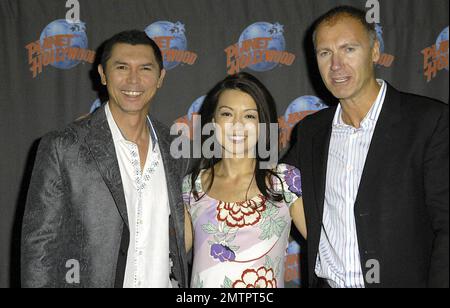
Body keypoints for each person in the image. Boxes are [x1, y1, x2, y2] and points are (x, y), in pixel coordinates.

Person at [283, 6, 449, 288]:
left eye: (348, 49)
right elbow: (273, 190)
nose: (336, 65)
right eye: (325, 53)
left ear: (374, 51)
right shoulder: (311, 132)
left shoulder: (429, 122)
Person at [21, 30, 189, 288]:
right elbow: (39, 249)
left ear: (160, 78)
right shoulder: (64, 146)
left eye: (145, 68)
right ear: (102, 74)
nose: (133, 79)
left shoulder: (175, 147)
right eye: (122, 67)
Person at [183, 72, 307, 288]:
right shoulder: (192, 186)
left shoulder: (285, 181)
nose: (237, 125)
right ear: (212, 122)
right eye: (227, 114)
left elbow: (329, 250)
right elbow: (168, 259)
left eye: (249, 116)